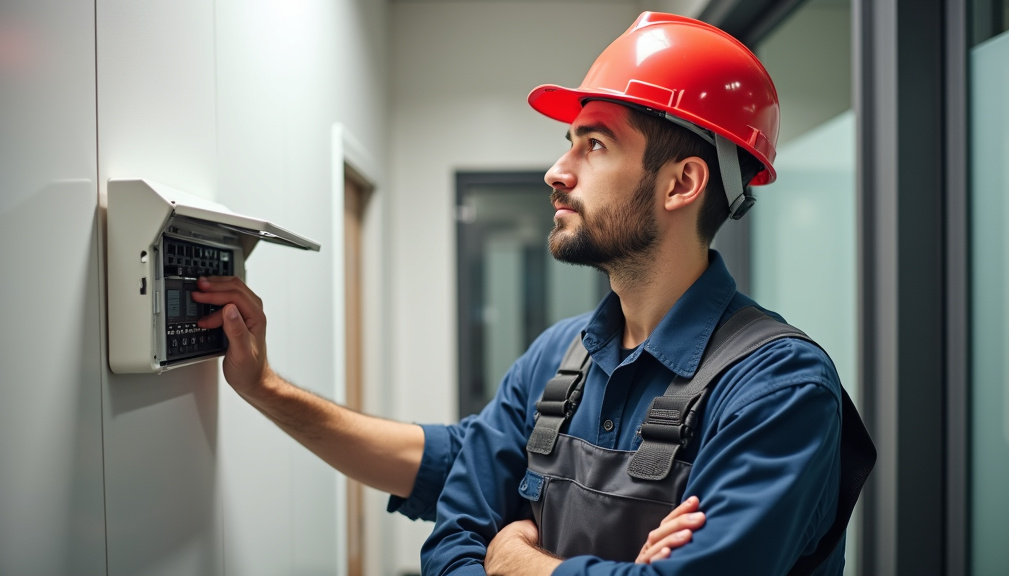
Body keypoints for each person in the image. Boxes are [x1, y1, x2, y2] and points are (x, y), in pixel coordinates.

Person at [194, 11, 846, 576]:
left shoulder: (779, 388)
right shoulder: (556, 359)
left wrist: (513, 557)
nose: (556, 171)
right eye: (570, 143)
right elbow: (452, 537)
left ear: (682, 183)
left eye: (594, 144)